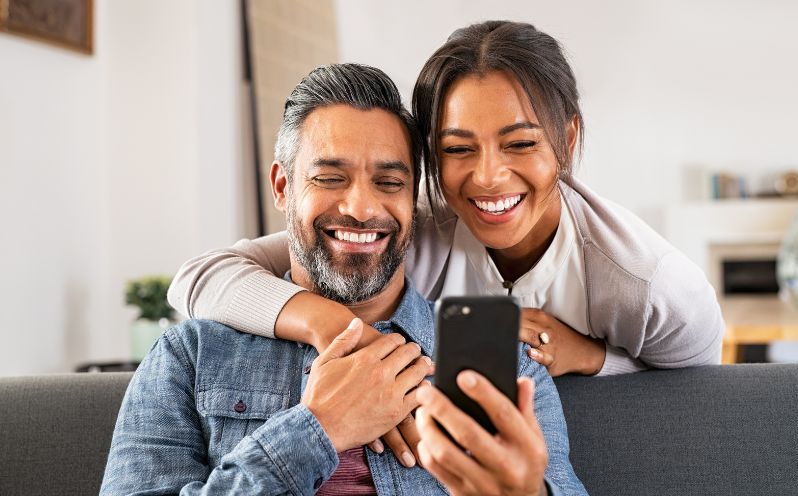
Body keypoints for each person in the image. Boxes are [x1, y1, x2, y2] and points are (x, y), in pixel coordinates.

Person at [168, 20, 723, 465]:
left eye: (520, 143)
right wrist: (339, 328)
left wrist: (592, 358)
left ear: (567, 138)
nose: (488, 178)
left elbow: (700, 390)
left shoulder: (646, 283)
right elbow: (201, 277)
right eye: (458, 149)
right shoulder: (415, 235)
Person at [92, 63, 605, 496]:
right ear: (283, 186)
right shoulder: (192, 355)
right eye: (330, 178)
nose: (361, 208)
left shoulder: (509, 366)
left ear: (413, 198)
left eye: (389, 181)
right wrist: (315, 430)